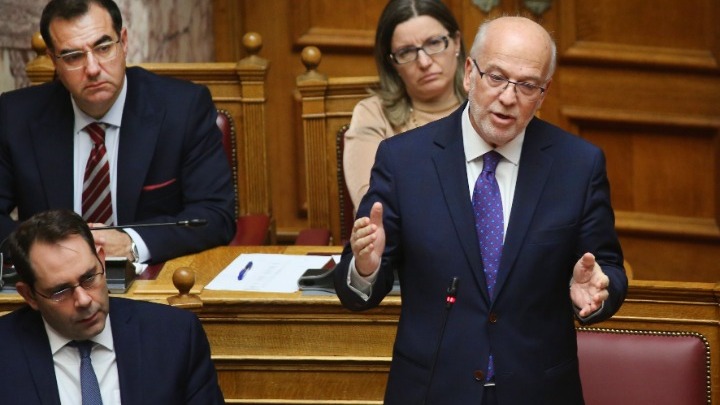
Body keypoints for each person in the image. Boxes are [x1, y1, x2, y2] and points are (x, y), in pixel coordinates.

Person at [333, 16, 628, 404]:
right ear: (470, 73)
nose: (508, 97)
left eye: (527, 85)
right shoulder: (404, 161)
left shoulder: (578, 165)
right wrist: (366, 268)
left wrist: (597, 293)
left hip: (538, 391)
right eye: (497, 77)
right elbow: (355, 291)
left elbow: (608, 267)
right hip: (431, 391)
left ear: (543, 93)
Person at [0, 0, 235, 265]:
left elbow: (214, 215)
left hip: (155, 280)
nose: (92, 69)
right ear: (54, 60)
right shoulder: (16, 116)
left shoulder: (183, 109)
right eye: (73, 56)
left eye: (103, 48)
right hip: (54, 284)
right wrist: (50, 249)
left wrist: (131, 243)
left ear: (123, 42)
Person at [0, 209, 224, 404]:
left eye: (89, 278)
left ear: (102, 261)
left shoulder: (175, 336)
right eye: (61, 291)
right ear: (29, 295)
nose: (84, 300)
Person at [343, 0, 467, 209]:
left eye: (434, 43)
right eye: (406, 52)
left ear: (456, 42)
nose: (424, 62)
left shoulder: (490, 106)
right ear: (392, 63)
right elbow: (374, 210)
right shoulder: (374, 113)